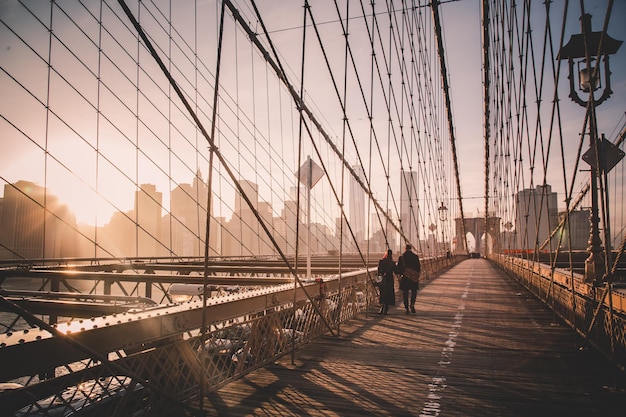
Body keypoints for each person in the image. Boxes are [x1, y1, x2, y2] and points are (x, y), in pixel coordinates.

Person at [397, 244, 421, 314]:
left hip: (405, 278)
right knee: (414, 292)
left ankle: (406, 308)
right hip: (413, 277)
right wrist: (416, 275)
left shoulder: (402, 257)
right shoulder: (415, 257)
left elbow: (399, 268)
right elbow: (418, 268)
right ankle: (412, 304)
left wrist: (401, 274)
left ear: (405, 249)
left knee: (405, 293)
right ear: (411, 249)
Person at [376, 249, 397, 315]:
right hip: (389, 280)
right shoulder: (392, 262)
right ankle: (386, 310)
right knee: (388, 294)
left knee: (382, 293)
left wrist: (379, 277)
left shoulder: (381, 261)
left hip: (383, 280)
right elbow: (396, 271)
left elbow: (379, 271)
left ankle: (381, 308)